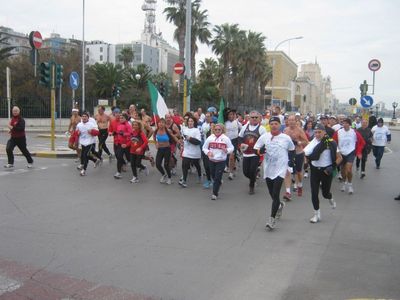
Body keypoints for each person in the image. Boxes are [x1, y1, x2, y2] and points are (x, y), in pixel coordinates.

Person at [254, 116, 295, 230]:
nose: (274, 126)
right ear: (269, 125)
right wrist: (260, 151)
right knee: (272, 194)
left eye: (276, 124)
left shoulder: (286, 138)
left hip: (281, 168)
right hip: (268, 168)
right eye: (272, 124)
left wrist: (291, 162)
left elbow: (292, 150)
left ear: (279, 125)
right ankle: (280, 205)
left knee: (276, 193)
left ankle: (271, 219)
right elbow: (255, 149)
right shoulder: (265, 137)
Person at [303, 124, 338, 223]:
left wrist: (332, 167)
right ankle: (316, 214)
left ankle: (330, 198)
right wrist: (306, 161)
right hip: (315, 170)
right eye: (316, 132)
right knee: (314, 193)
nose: (317, 134)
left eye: (319, 132)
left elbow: (339, 158)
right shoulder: (312, 142)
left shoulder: (331, 143)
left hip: (326, 171)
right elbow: (306, 153)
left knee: (325, 193)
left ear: (324, 132)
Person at [333, 118, 365, 194]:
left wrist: (359, 152)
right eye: (344, 123)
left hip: (350, 153)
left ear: (349, 124)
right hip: (341, 154)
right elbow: (332, 141)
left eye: (347, 123)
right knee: (343, 172)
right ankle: (344, 183)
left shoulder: (354, 132)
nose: (345, 124)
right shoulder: (338, 132)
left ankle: (350, 185)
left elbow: (362, 142)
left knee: (349, 170)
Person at [202, 123, 234, 200]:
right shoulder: (210, 138)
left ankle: (214, 193)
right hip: (212, 160)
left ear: (222, 130)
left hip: (221, 161)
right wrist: (208, 152)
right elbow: (204, 148)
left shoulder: (225, 138)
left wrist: (226, 150)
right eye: (215, 129)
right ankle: (218, 181)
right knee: (214, 176)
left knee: (217, 177)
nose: (217, 131)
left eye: (219, 130)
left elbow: (232, 147)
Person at [239, 111, 266, 195]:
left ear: (259, 118)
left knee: (251, 170)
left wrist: (260, 150)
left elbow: (265, 142)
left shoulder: (262, 129)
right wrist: (240, 146)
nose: (254, 119)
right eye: (252, 117)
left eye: (256, 117)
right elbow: (240, 138)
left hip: (255, 154)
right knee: (245, 172)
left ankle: (251, 187)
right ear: (249, 118)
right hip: (246, 153)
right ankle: (254, 177)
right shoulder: (244, 127)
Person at [284, 115, 309, 198]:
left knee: (298, 172)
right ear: (287, 121)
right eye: (289, 120)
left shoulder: (299, 130)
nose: (291, 122)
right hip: (289, 153)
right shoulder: (286, 130)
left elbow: (306, 141)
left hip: (298, 153)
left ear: (296, 121)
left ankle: (300, 185)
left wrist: (299, 142)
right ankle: (288, 192)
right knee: (287, 172)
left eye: (293, 120)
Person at [179, 117, 202, 188]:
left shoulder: (196, 130)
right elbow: (182, 138)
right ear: (187, 122)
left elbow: (198, 142)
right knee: (184, 165)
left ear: (194, 122)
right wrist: (181, 142)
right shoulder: (184, 129)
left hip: (195, 152)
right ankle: (184, 181)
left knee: (196, 164)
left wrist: (190, 138)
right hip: (186, 151)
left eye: (192, 121)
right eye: (189, 121)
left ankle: (199, 175)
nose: (190, 122)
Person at [75, 112, 101, 176]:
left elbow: (98, 133)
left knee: (86, 155)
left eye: (85, 116)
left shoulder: (91, 124)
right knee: (84, 155)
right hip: (83, 142)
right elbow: (76, 134)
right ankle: (95, 160)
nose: (84, 117)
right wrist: (76, 141)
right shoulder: (79, 125)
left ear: (88, 118)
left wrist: (92, 131)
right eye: (83, 116)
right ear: (81, 117)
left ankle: (84, 170)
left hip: (90, 142)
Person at [155, 118, 179, 185]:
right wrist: (156, 143)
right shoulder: (156, 131)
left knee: (166, 165)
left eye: (162, 123)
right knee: (157, 164)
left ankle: (169, 178)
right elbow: (155, 138)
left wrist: (179, 142)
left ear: (165, 124)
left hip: (167, 149)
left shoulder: (168, 131)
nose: (161, 124)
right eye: (159, 122)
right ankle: (163, 174)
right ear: (158, 124)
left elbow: (174, 137)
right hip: (160, 149)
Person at [113, 113, 132, 179]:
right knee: (119, 157)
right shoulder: (119, 125)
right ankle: (118, 173)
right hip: (120, 144)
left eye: (122, 118)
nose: (120, 119)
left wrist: (124, 134)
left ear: (126, 119)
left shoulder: (128, 125)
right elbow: (118, 133)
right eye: (120, 118)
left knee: (129, 159)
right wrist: (115, 135)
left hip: (126, 145)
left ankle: (141, 166)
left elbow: (131, 134)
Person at [224, 109, 242, 180]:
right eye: (229, 115)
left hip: (234, 141)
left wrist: (240, 140)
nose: (231, 116)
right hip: (226, 141)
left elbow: (242, 130)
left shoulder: (237, 123)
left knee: (232, 156)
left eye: (232, 114)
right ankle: (227, 166)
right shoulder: (225, 123)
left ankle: (231, 173)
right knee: (226, 156)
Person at [201, 112, 213, 188]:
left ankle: (214, 179)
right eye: (206, 116)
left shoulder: (213, 125)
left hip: (212, 148)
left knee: (211, 165)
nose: (207, 118)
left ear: (211, 117)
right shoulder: (203, 124)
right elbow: (202, 134)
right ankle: (209, 180)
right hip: (205, 147)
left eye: (208, 116)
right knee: (206, 165)